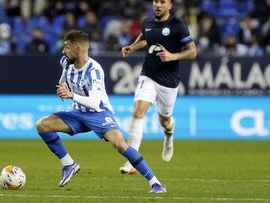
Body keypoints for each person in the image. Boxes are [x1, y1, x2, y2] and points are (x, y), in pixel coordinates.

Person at [36, 30, 166, 193]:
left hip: (99, 113)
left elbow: (95, 103)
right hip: (77, 113)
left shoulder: (94, 70)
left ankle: (155, 183)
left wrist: (71, 94)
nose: (63, 51)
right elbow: (64, 76)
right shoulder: (65, 62)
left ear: (77, 49)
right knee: (42, 125)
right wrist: (62, 87)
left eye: (67, 47)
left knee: (120, 145)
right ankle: (69, 164)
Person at [119, 0, 197, 174]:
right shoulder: (147, 22)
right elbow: (145, 38)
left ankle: (169, 136)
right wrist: (132, 47)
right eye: (156, 1)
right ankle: (132, 161)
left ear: (170, 5)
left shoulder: (178, 25)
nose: (158, 5)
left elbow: (192, 51)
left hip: (168, 82)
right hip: (149, 75)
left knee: (165, 121)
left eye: (162, 2)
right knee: (138, 112)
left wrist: (172, 56)